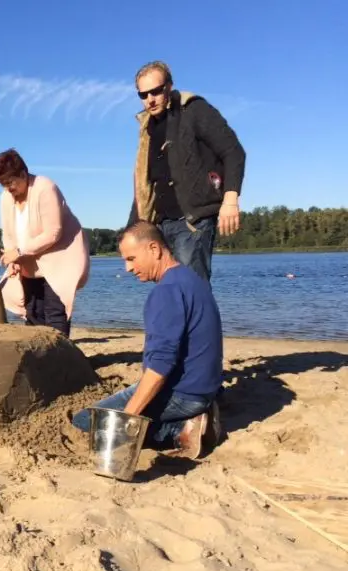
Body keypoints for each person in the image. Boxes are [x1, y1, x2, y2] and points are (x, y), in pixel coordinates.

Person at [71, 221, 222, 459]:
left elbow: (160, 366)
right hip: (207, 388)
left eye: (131, 258)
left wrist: (126, 419)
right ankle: (191, 417)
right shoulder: (191, 279)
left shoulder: (166, 292)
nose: (128, 268)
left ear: (154, 249)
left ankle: (179, 429)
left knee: (84, 421)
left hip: (185, 395)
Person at [127, 60, 246, 282]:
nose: (150, 100)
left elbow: (233, 151)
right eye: (143, 95)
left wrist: (230, 200)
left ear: (169, 86)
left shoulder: (193, 109)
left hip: (193, 221)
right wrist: (132, 230)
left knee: (192, 291)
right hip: (161, 224)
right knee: (172, 293)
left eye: (156, 91)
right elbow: (144, 183)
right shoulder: (147, 128)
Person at [0, 148, 90, 337]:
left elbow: (53, 233)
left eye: (9, 182)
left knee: (54, 313)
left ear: (23, 174)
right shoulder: (5, 197)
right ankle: (39, 360)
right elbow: (8, 233)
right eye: (2, 184)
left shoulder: (45, 187)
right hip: (28, 263)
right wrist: (12, 257)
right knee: (33, 313)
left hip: (59, 258)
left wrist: (19, 251)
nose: (7, 188)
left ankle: (59, 360)